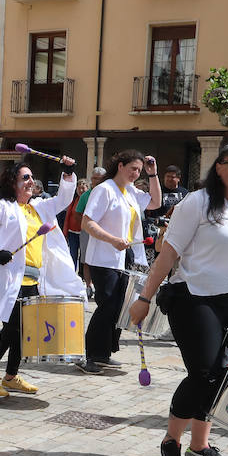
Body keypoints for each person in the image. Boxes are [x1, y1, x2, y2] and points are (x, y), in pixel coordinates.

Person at [129, 137, 228, 456]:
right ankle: (172, 441)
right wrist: (145, 298)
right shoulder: (198, 202)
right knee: (204, 372)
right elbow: (168, 253)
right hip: (194, 297)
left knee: (222, 376)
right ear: (218, 166)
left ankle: (200, 446)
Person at [0, 159, 80, 398]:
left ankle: (10, 376)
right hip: (11, 278)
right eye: (25, 178)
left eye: (32, 178)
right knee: (10, 330)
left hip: (34, 280)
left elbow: (64, 200)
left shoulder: (39, 207)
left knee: (25, 331)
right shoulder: (0, 207)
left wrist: (68, 173)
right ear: (12, 182)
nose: (31, 182)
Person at [79, 150, 161, 374]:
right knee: (107, 307)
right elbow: (88, 222)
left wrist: (153, 175)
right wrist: (112, 240)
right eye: (133, 169)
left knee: (118, 308)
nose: (136, 174)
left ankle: (104, 353)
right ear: (120, 166)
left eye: (139, 170)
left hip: (125, 259)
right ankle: (91, 355)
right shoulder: (104, 190)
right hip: (103, 258)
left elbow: (155, 202)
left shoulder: (131, 192)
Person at [145, 165, 189, 239]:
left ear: (178, 178)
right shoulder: (157, 191)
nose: (169, 179)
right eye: (167, 176)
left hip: (179, 228)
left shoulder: (185, 193)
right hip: (159, 228)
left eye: (172, 177)